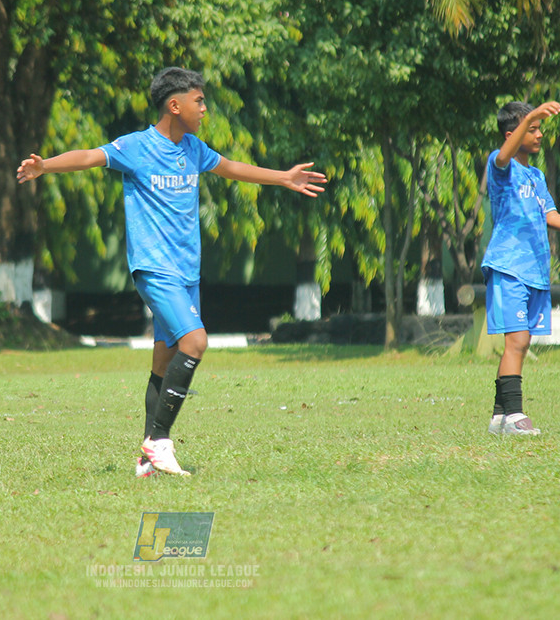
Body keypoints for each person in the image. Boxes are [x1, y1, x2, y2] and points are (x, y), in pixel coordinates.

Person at [16, 67, 327, 475]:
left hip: (186, 274)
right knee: (195, 343)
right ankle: (160, 441)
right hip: (154, 268)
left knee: (162, 362)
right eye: (199, 101)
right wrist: (46, 166)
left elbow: (232, 168)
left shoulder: (194, 149)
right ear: (174, 104)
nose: (204, 109)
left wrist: (283, 178)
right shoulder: (136, 146)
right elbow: (91, 157)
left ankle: (146, 458)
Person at [482, 101, 560, 435]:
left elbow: (549, 216)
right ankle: (515, 416)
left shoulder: (536, 176)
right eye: (532, 129)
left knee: (520, 342)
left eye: (539, 129)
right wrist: (533, 115)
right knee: (518, 341)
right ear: (513, 134)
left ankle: (499, 417)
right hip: (509, 266)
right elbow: (501, 156)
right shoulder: (501, 168)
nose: (539, 135)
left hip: (534, 271)